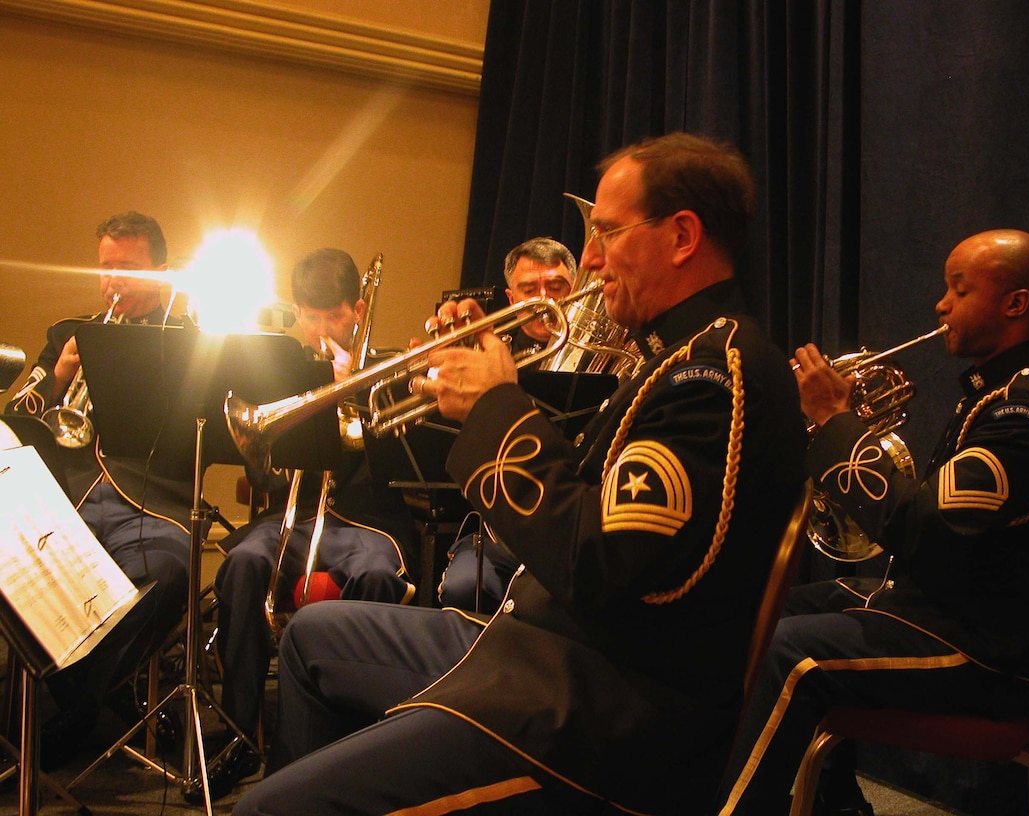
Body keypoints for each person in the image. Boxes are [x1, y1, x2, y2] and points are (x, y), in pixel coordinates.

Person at [234, 132, 809, 816]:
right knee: (313, 636)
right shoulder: (675, 356)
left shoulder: (716, 376)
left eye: (605, 233)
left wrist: (497, 406)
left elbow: (598, 564)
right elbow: (584, 480)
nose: (590, 260)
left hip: (597, 710)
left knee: (264, 810)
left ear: (682, 236)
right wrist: (482, 372)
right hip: (539, 650)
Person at [715, 229, 1029, 816]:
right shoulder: (990, 395)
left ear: (1016, 304)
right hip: (937, 607)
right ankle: (834, 803)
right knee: (763, 607)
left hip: (988, 649)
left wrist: (839, 423)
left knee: (791, 652)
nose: (940, 304)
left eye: (959, 291)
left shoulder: (1025, 414)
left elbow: (922, 533)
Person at [198, 247, 419, 802]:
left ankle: (357, 738)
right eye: (311, 318)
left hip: (371, 524)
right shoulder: (286, 371)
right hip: (298, 516)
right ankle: (240, 730)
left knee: (376, 579)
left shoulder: (395, 367)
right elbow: (264, 476)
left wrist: (364, 390)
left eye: (335, 317)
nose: (323, 332)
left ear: (360, 309)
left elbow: (408, 465)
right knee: (244, 564)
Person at [4, 211, 192, 767]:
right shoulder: (68, 333)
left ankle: (74, 706)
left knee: (169, 572)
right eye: (106, 269)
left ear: (162, 273)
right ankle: (92, 697)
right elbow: (15, 423)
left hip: (152, 504)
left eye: (129, 270)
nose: (114, 283)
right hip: (70, 502)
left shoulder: (187, 343)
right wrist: (60, 374)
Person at [436, 236, 576, 613]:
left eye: (556, 287)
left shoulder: (600, 359)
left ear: (575, 291)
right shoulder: (483, 358)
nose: (544, 299)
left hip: (566, 527)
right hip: (497, 527)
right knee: (466, 588)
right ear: (512, 301)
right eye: (530, 289)